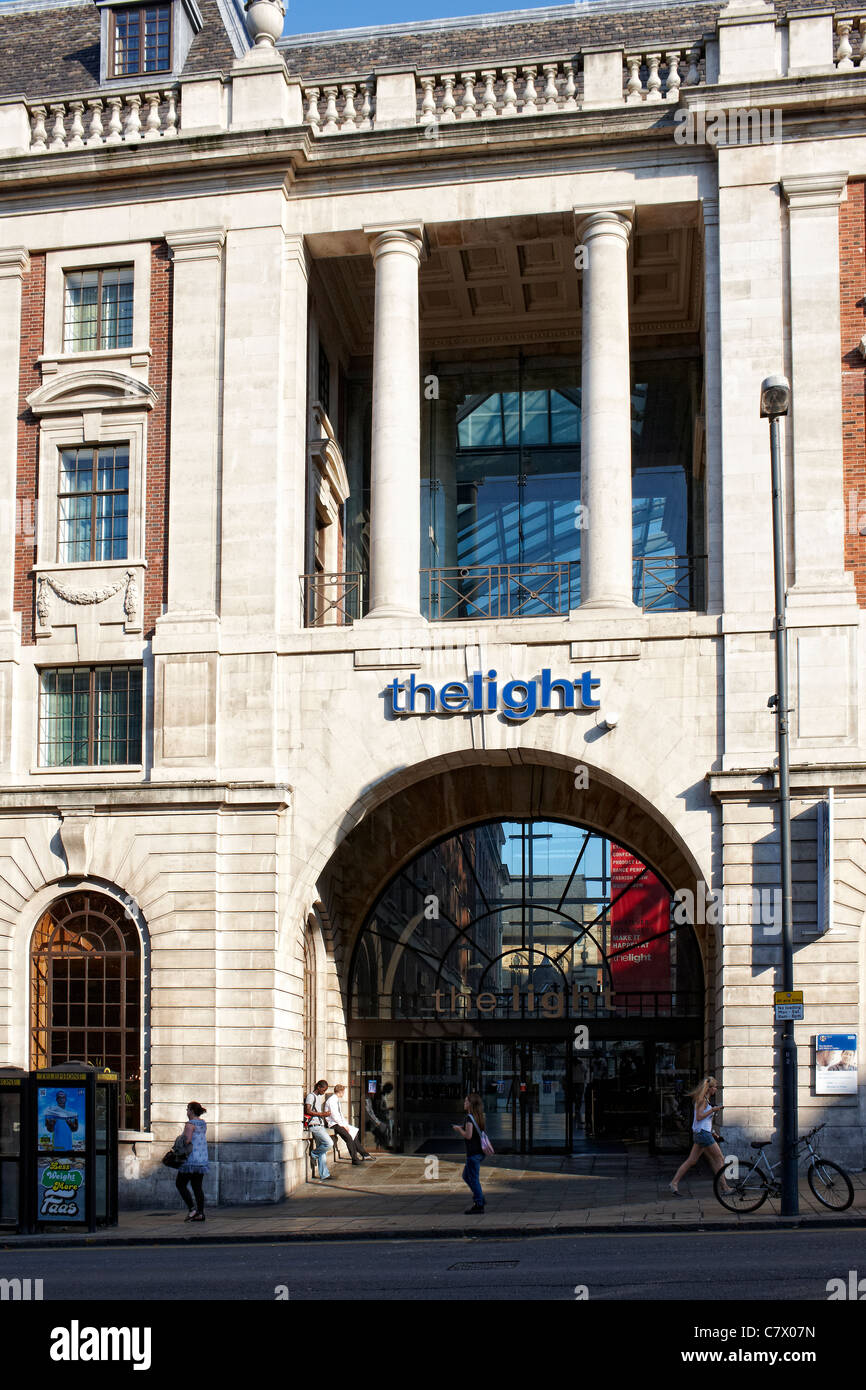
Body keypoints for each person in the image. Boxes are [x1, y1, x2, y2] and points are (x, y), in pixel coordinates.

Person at [669, 1077, 729, 1196]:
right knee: (719, 1158)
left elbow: (703, 1122)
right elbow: (699, 1117)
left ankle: (674, 1183)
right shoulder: (703, 1100)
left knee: (692, 1160)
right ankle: (725, 1187)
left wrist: (713, 1132)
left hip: (701, 1133)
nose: (716, 1089)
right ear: (709, 1088)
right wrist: (713, 1110)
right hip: (703, 1134)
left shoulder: (704, 1099)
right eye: (715, 1087)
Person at [452, 1092, 487, 1214]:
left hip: (473, 1153)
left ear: (471, 1104)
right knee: (466, 1176)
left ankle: (479, 1203)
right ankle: (480, 1197)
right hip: (479, 1152)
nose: (464, 1103)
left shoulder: (469, 1118)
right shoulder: (479, 1116)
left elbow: (468, 1135)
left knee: (473, 1178)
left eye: (466, 1101)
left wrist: (459, 1129)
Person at [176, 1101, 209, 1221]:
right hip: (201, 1160)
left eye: (187, 1109)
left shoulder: (189, 1125)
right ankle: (200, 1213)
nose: (186, 1111)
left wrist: (180, 1139)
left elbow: (187, 1141)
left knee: (180, 1184)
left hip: (190, 1160)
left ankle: (192, 1209)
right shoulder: (203, 1123)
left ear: (191, 1110)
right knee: (197, 1187)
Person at [324, 1084, 373, 1164]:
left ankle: (364, 1154)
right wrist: (343, 1125)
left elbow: (340, 1115)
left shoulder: (336, 1100)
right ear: (340, 1091)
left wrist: (346, 1125)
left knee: (354, 1135)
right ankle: (355, 1159)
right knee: (349, 1138)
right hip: (334, 1124)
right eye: (343, 1092)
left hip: (338, 1123)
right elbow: (335, 1115)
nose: (344, 1093)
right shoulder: (332, 1100)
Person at [304, 1079, 334, 1179]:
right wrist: (322, 1114)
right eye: (323, 1090)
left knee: (323, 1150)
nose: (324, 1092)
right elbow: (308, 1110)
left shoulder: (317, 1097)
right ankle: (314, 1153)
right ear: (318, 1087)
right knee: (329, 1143)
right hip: (314, 1126)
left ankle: (324, 1174)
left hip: (319, 1125)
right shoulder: (310, 1096)